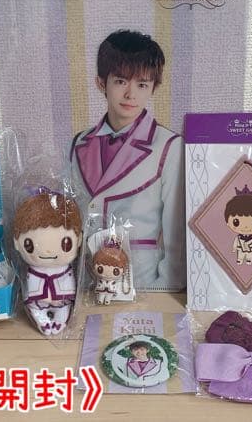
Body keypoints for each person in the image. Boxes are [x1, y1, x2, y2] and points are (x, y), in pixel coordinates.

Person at [70, 30, 185, 291]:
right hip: (86, 284)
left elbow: (176, 234)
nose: (131, 94)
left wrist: (165, 291)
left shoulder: (169, 146)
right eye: (121, 81)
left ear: (153, 88)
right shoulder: (77, 144)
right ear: (101, 83)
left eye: (142, 84)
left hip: (142, 285)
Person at [13, 192, 82, 335]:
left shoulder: (65, 271)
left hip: (62, 301)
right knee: (35, 308)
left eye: (65, 243)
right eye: (29, 244)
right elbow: (30, 291)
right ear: (17, 243)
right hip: (37, 302)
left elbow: (68, 289)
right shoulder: (32, 271)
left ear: (79, 240)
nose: (48, 251)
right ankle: (43, 322)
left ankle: (59, 321)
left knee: (63, 308)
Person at [224, 186, 252, 265]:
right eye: (236, 222)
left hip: (250, 250)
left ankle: (249, 260)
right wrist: (234, 249)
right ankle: (239, 259)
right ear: (228, 223)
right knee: (240, 255)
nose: (246, 227)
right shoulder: (238, 238)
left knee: (249, 256)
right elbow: (235, 243)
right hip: (240, 249)